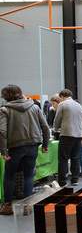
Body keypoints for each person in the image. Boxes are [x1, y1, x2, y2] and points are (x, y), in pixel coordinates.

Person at [0, 85, 50, 215]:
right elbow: (45, 127)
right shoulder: (35, 107)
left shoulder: (4, 110)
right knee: (29, 175)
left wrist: (4, 152)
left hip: (14, 147)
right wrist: (45, 145)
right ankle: (28, 206)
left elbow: (2, 132)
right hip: (33, 145)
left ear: (6, 96)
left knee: (10, 175)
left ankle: (7, 206)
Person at [54, 89, 82, 187]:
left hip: (67, 134)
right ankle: (75, 179)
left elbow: (57, 119)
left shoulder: (62, 104)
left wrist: (55, 128)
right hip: (78, 135)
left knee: (63, 158)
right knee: (75, 158)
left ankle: (62, 181)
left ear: (62, 96)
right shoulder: (79, 105)